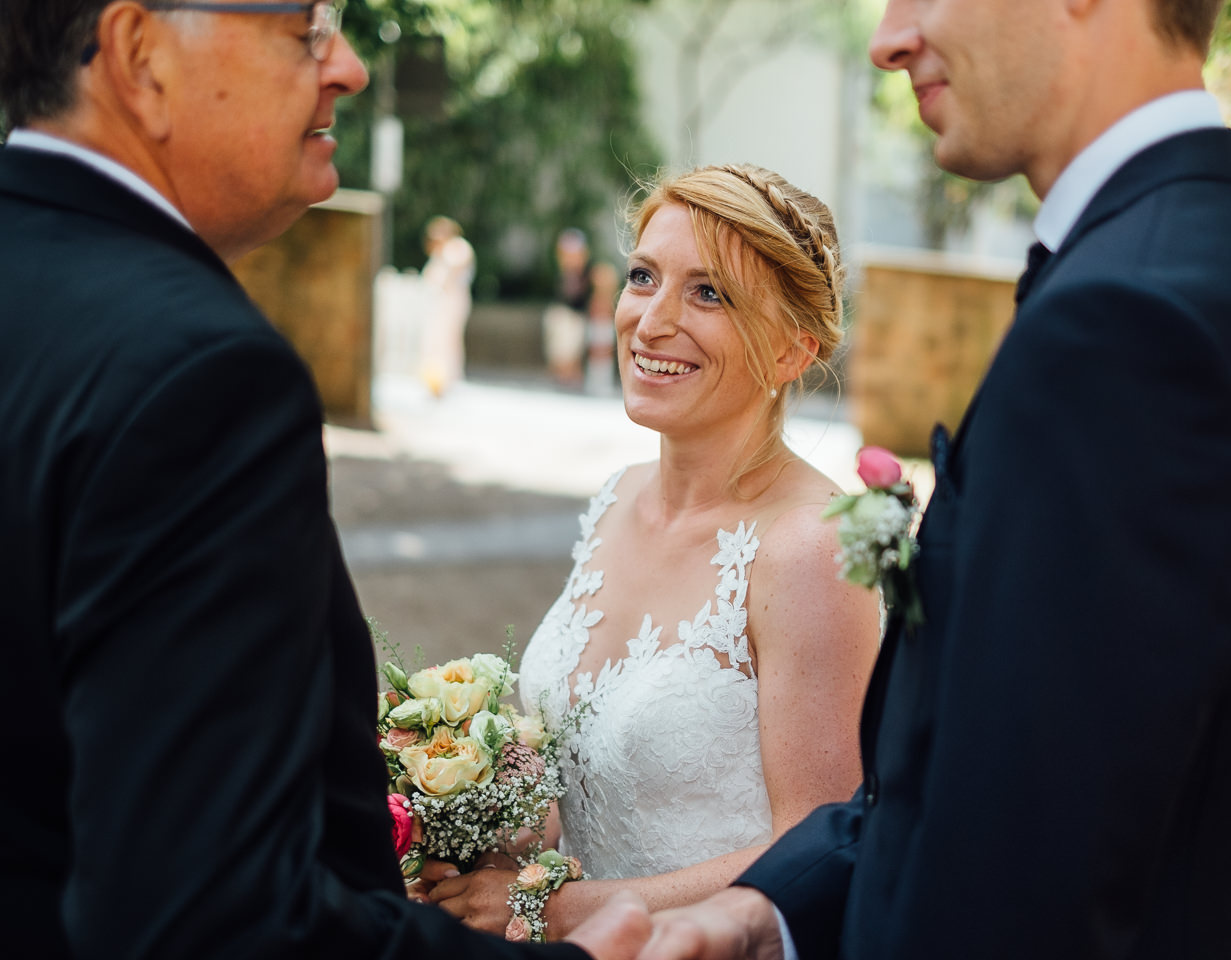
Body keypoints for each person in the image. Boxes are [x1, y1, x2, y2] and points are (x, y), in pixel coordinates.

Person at [633, 0, 1231, 958]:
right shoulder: (1202, 266)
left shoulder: (1133, 323)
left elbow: (1031, 888)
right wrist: (766, 910)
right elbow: (1008, 771)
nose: (889, 39)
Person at [0, 2, 646, 958]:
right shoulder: (198, 373)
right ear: (141, 55)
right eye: (304, 28)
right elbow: (204, 918)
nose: (345, 66)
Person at [419, 165, 880, 939]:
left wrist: (550, 910)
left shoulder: (812, 545)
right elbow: (591, 782)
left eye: (709, 294)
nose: (653, 320)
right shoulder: (619, 494)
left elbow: (820, 849)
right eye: (643, 276)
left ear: (794, 350)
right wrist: (471, 826)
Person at [544, 228, 615, 389]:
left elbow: (605, 290)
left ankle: (575, 373)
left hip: (587, 318)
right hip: (571, 318)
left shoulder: (593, 271)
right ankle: (567, 372)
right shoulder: (566, 274)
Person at [420, 214, 477, 397]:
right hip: (439, 303)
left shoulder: (457, 248)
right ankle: (435, 380)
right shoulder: (440, 253)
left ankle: (449, 379)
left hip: (452, 301)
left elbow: (453, 270)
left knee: (448, 341)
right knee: (436, 341)